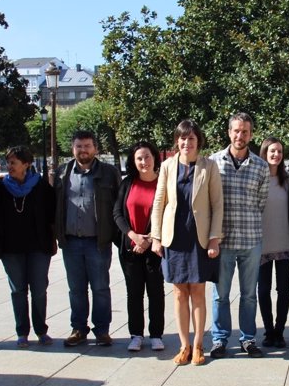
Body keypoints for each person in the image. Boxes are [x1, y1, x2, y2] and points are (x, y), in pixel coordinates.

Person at [151, 120, 223, 366]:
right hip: (174, 238)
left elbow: (217, 205)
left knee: (198, 292)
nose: (186, 142)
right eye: (182, 138)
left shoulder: (209, 167)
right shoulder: (168, 166)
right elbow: (159, 202)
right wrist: (156, 236)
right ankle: (184, 345)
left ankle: (199, 346)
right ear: (177, 141)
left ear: (198, 142)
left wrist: (214, 238)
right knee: (179, 293)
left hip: (199, 238)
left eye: (191, 138)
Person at [209, 113, 269, 359]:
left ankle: (247, 339)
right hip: (222, 241)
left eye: (245, 131)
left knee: (248, 295)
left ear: (251, 135)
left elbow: (261, 202)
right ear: (229, 132)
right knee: (220, 295)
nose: (240, 135)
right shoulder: (213, 163)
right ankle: (220, 339)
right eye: (236, 131)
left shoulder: (261, 166)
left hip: (250, 240)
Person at [54, 130, 121, 347]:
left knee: (100, 287)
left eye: (87, 146)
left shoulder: (109, 173)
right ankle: (78, 329)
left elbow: (118, 205)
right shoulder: (62, 172)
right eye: (79, 146)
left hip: (98, 242)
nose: (83, 150)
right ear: (72, 149)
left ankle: (102, 330)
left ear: (96, 149)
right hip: (71, 241)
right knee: (76, 288)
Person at [0, 146, 56, 348]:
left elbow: (51, 214)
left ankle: (41, 330)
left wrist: (53, 239)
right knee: (18, 291)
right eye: (8, 162)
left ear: (26, 164)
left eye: (13, 162)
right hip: (11, 249)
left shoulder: (41, 186)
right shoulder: (2, 188)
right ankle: (22, 332)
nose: (9, 166)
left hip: (38, 247)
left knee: (39, 290)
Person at [113, 141, 165, 353]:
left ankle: (156, 335)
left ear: (154, 157)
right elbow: (117, 213)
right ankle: (136, 334)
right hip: (130, 248)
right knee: (133, 292)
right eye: (139, 158)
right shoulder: (127, 183)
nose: (144, 162)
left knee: (156, 292)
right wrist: (133, 236)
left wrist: (150, 239)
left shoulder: (163, 183)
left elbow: (167, 213)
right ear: (134, 162)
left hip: (154, 249)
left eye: (147, 157)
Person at [257, 137, 289, 349]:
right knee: (263, 290)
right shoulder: (257, 179)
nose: (276, 155)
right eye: (272, 151)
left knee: (283, 289)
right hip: (261, 243)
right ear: (264, 153)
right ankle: (268, 330)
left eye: (279, 151)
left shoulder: (288, 181)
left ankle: (280, 330)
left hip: (284, 242)